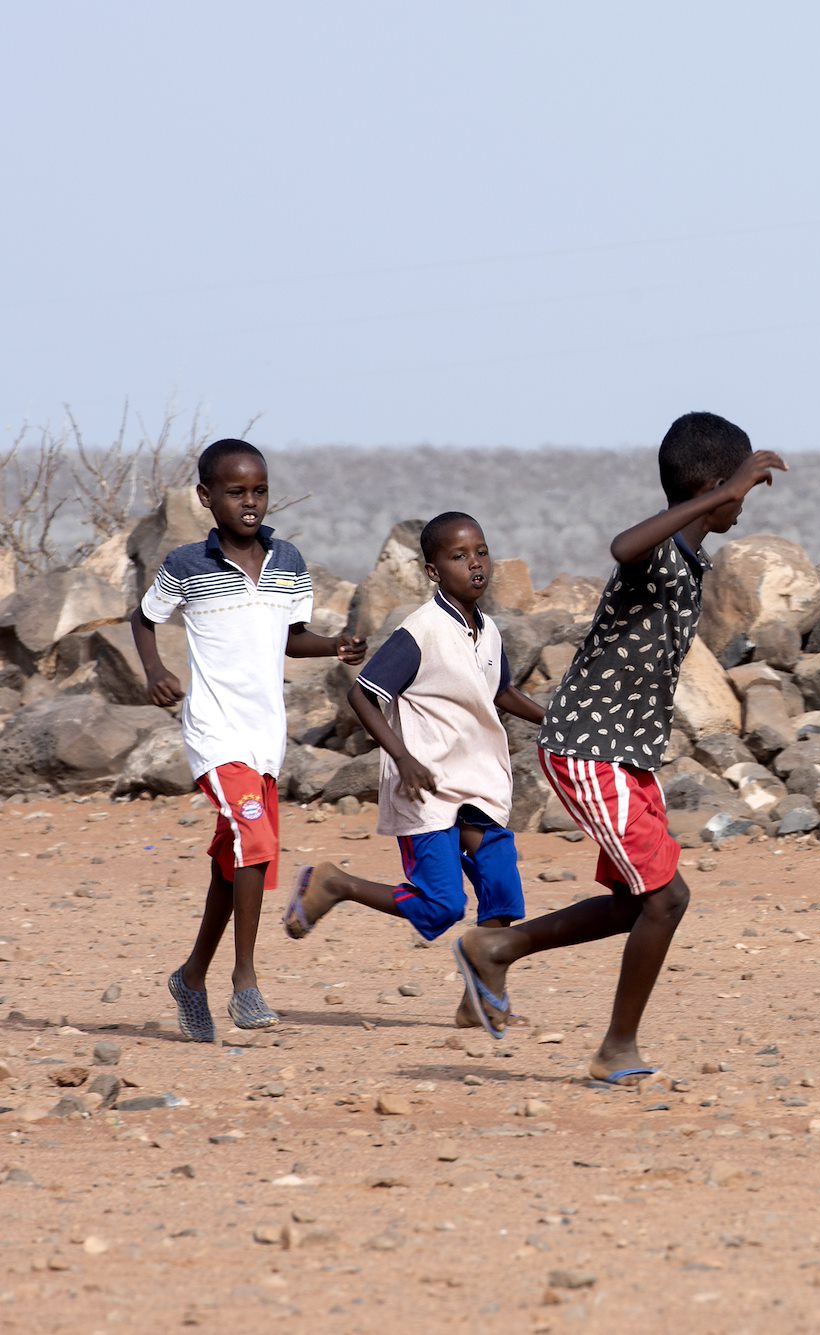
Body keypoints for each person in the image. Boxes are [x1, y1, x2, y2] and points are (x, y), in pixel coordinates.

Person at [451, 412, 786, 1086]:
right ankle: (615, 1049)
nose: (744, 504)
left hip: (626, 755)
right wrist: (727, 491)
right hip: (589, 749)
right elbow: (623, 544)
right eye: (740, 490)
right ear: (715, 488)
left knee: (644, 901)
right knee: (666, 899)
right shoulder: (656, 555)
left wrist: (722, 493)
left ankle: (498, 948)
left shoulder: (688, 560)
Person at [132, 438, 365, 1041]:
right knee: (256, 842)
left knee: (233, 862)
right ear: (206, 497)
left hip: (266, 738)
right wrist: (155, 671)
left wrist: (335, 647)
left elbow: (291, 638)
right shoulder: (187, 564)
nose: (250, 502)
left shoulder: (288, 560)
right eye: (236, 492)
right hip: (215, 733)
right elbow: (144, 617)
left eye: (259, 490)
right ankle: (245, 981)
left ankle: (190, 977)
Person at [283, 512, 547, 1028]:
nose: (475, 564)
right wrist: (402, 757)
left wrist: (556, 721)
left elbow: (500, 692)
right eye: (459, 556)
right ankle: (336, 884)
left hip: (480, 780)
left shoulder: (488, 630)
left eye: (481, 552)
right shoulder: (420, 631)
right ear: (433, 571)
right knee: (441, 905)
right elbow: (363, 694)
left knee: (501, 887)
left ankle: (479, 1001)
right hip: (425, 783)